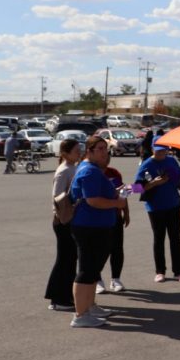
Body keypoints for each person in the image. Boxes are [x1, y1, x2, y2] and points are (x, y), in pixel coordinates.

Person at [68, 136, 128, 328]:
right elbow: (93, 200)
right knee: (87, 270)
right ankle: (80, 315)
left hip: (97, 226)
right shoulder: (89, 171)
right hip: (89, 226)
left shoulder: (92, 169)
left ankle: (90, 306)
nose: (104, 152)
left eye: (105, 148)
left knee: (93, 270)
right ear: (89, 151)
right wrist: (117, 203)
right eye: (100, 149)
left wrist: (116, 193)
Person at [136, 142, 180, 283]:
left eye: (164, 151)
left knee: (175, 238)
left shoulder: (172, 161)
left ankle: (179, 271)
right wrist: (154, 183)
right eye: (158, 151)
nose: (161, 153)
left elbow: (178, 178)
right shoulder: (146, 164)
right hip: (155, 208)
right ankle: (160, 271)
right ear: (152, 149)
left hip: (173, 204)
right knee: (159, 239)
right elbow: (136, 188)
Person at [44, 138, 82, 311]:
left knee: (70, 259)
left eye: (80, 150)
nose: (79, 153)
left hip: (70, 219)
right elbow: (58, 197)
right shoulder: (64, 170)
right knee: (65, 259)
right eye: (76, 151)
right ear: (65, 154)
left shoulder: (73, 167)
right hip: (63, 220)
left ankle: (64, 296)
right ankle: (58, 298)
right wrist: (71, 207)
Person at [97, 155, 129, 294]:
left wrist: (126, 212)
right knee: (100, 250)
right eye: (103, 156)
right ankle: (97, 280)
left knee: (117, 249)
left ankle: (116, 279)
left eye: (108, 156)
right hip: (98, 219)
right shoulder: (92, 173)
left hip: (115, 216)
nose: (106, 159)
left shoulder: (114, 173)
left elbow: (124, 192)